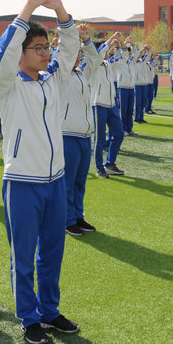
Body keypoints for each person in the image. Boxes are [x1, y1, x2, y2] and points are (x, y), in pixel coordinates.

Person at [0, 0, 80, 344]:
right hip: (22, 182)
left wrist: (59, 9)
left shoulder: (52, 79)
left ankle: (49, 310)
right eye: (38, 48)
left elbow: (70, 48)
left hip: (54, 181)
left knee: (53, 252)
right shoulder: (6, 84)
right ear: (22, 52)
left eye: (47, 48)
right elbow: (6, 51)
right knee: (24, 256)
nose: (46, 54)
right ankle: (28, 318)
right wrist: (29, 7)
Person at [60, 23, 101, 236]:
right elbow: (62, 52)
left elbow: (95, 58)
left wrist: (85, 39)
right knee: (68, 182)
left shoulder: (81, 73)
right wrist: (72, 35)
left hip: (85, 135)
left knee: (80, 182)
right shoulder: (60, 74)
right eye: (74, 52)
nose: (78, 56)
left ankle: (78, 216)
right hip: (68, 134)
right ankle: (67, 220)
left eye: (79, 53)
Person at [90, 32, 125, 178]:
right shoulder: (94, 63)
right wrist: (110, 40)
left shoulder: (108, 64)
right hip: (98, 104)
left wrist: (122, 43)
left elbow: (124, 58)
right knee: (100, 138)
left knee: (119, 133)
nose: (107, 52)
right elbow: (99, 54)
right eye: (105, 49)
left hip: (111, 105)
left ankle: (110, 163)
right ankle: (99, 167)